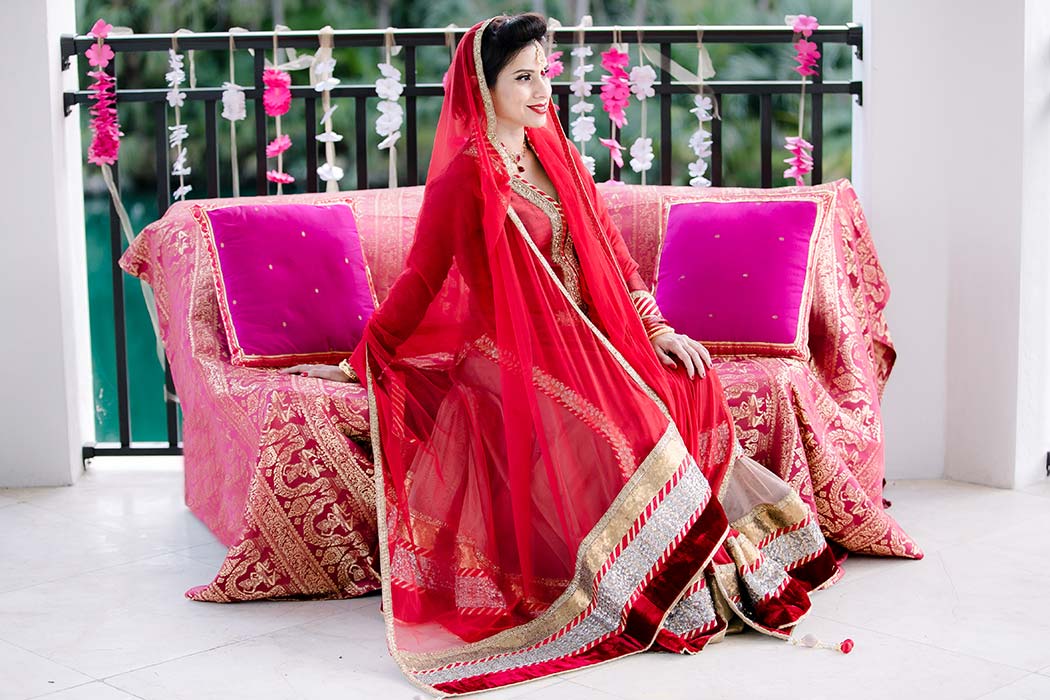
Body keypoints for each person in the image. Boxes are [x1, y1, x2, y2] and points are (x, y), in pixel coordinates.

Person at [284, 13, 842, 696]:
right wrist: (357, 362)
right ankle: (642, 584)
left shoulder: (555, 152)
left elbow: (608, 247)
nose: (542, 87)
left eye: (544, 72)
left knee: (687, 386)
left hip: (590, 332)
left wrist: (658, 328)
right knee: (619, 427)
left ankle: (713, 561)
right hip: (508, 349)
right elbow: (422, 279)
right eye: (523, 76)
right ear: (483, 88)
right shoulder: (467, 180)